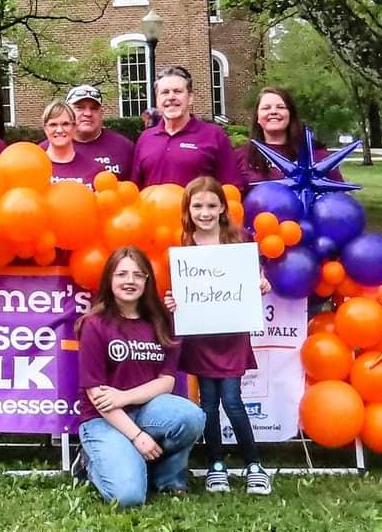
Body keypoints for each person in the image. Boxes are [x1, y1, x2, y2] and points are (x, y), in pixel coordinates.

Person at [75, 246, 205, 505]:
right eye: (122, 274)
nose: (129, 281)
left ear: (147, 281)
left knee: (191, 416)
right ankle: (89, 465)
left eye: (138, 275)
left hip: (148, 411)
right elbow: (99, 396)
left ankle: (166, 478)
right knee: (128, 498)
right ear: (109, 279)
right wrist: (136, 436)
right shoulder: (95, 324)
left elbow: (166, 382)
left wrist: (125, 396)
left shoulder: (161, 321)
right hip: (104, 420)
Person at [176, 176, 272, 495]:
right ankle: (216, 466)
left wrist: (261, 284)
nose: (205, 212)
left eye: (211, 205)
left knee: (232, 401)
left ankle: (253, 465)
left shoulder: (238, 241)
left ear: (222, 208)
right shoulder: (184, 246)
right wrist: (174, 300)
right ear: (188, 210)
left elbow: (253, 279)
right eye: (198, 206)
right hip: (201, 338)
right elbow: (181, 291)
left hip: (231, 336)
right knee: (207, 405)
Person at [131, 65, 241, 190]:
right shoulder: (146, 139)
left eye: (177, 91)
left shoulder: (214, 135)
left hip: (195, 209)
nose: (171, 97)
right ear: (157, 99)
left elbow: (231, 189)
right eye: (165, 92)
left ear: (190, 98)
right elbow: (135, 190)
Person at [237, 86, 344, 186]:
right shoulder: (240, 157)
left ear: (291, 115)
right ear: (257, 118)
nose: (273, 111)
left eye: (280, 107)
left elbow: (341, 198)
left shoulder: (317, 156)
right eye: (266, 108)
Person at [41, 85, 134, 180]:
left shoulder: (124, 148)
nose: (88, 114)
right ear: (68, 112)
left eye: (94, 108)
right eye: (80, 108)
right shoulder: (42, 152)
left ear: (101, 113)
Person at [42, 101, 104, 189]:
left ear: (74, 127)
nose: (59, 130)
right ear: (45, 128)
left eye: (65, 124)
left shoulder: (96, 171)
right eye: (53, 125)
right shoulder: (33, 167)